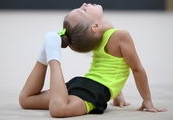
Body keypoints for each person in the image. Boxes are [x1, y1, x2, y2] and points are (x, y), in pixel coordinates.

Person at [19, 3, 167, 118]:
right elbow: (137, 69)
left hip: (83, 84)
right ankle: (52, 56)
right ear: (95, 26)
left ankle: (46, 52)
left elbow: (110, 66)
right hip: (94, 91)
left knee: (26, 99)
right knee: (59, 109)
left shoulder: (101, 36)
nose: (84, 4)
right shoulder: (120, 36)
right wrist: (147, 99)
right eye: (83, 10)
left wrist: (117, 94)